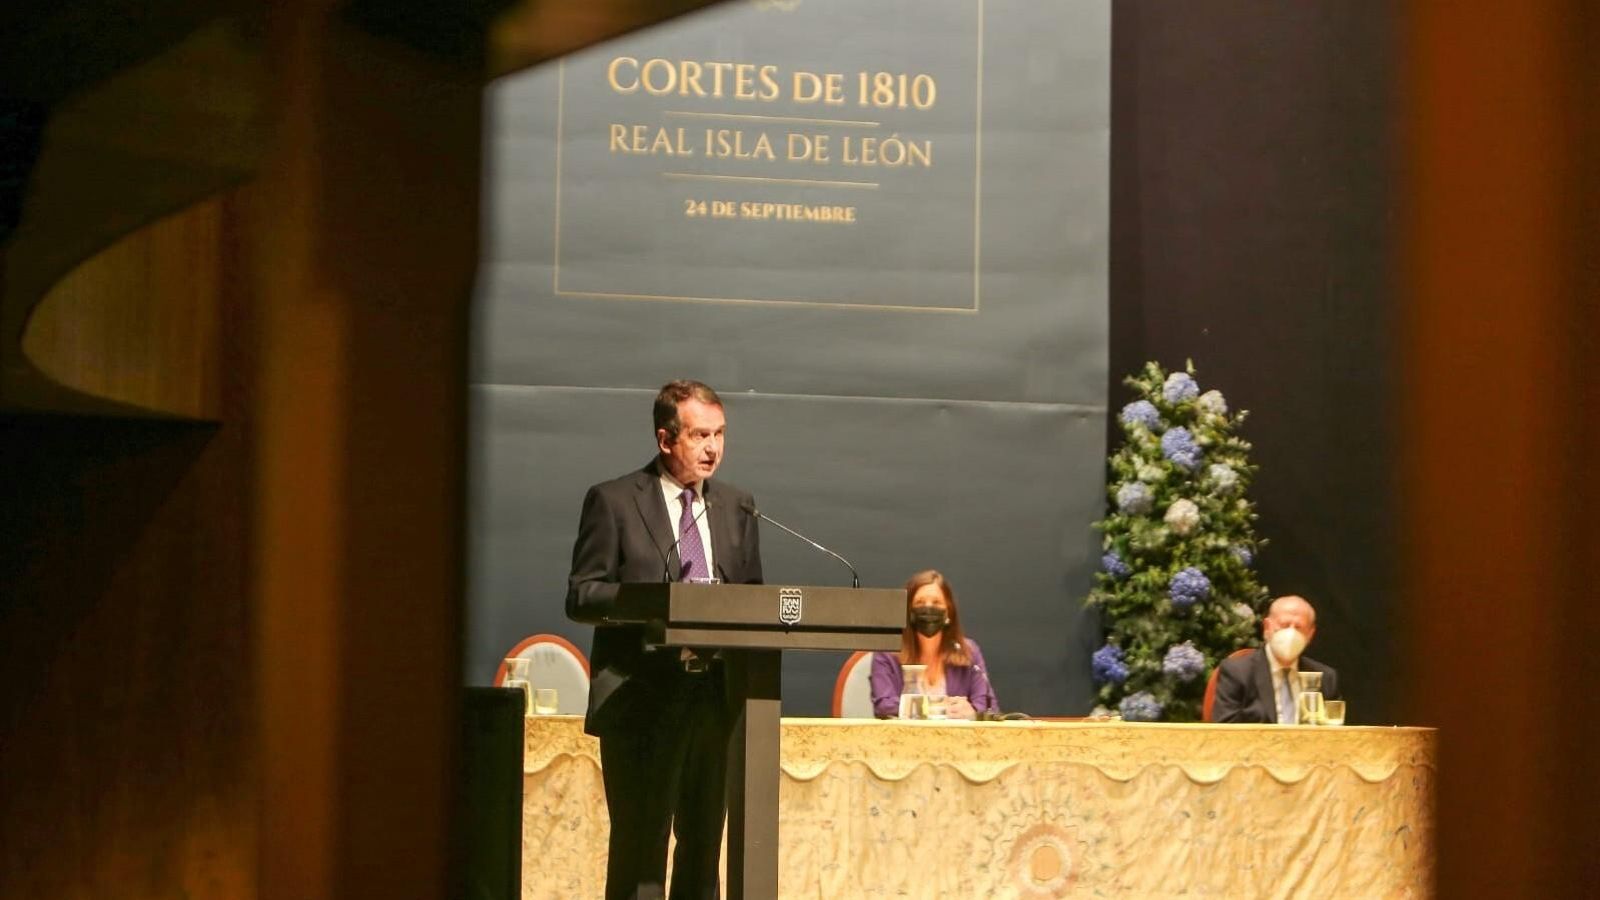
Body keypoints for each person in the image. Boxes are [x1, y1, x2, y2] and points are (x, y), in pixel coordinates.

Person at [565, 380, 764, 900]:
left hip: (712, 701)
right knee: (640, 852)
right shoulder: (613, 501)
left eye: (719, 434)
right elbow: (583, 595)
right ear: (665, 438)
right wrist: (660, 604)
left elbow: (754, 600)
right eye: (700, 435)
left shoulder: (737, 506)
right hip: (641, 699)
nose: (712, 448)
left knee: (703, 847)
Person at [869, 569, 999, 719]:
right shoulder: (887, 653)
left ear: (948, 612)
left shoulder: (968, 652)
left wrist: (972, 712)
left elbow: (989, 706)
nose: (928, 608)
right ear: (909, 612)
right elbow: (883, 706)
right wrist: (937, 707)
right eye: (920, 602)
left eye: (936, 602)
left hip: (958, 739)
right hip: (904, 739)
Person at [1211, 594, 1341, 724]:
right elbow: (1225, 731)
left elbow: (1336, 735)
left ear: (1310, 634)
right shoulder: (1238, 672)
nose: (1291, 633)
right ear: (1267, 627)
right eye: (1284, 625)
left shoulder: (1325, 678)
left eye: (1299, 627)